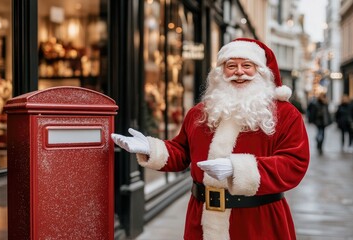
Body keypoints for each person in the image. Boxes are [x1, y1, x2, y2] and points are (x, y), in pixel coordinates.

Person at [112, 38, 310, 239]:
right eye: (231, 66)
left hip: (257, 221)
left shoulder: (286, 114)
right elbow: (181, 152)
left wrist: (238, 169)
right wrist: (151, 148)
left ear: (261, 71)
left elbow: (294, 163)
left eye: (247, 66)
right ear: (220, 73)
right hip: (202, 220)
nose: (239, 72)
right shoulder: (200, 112)